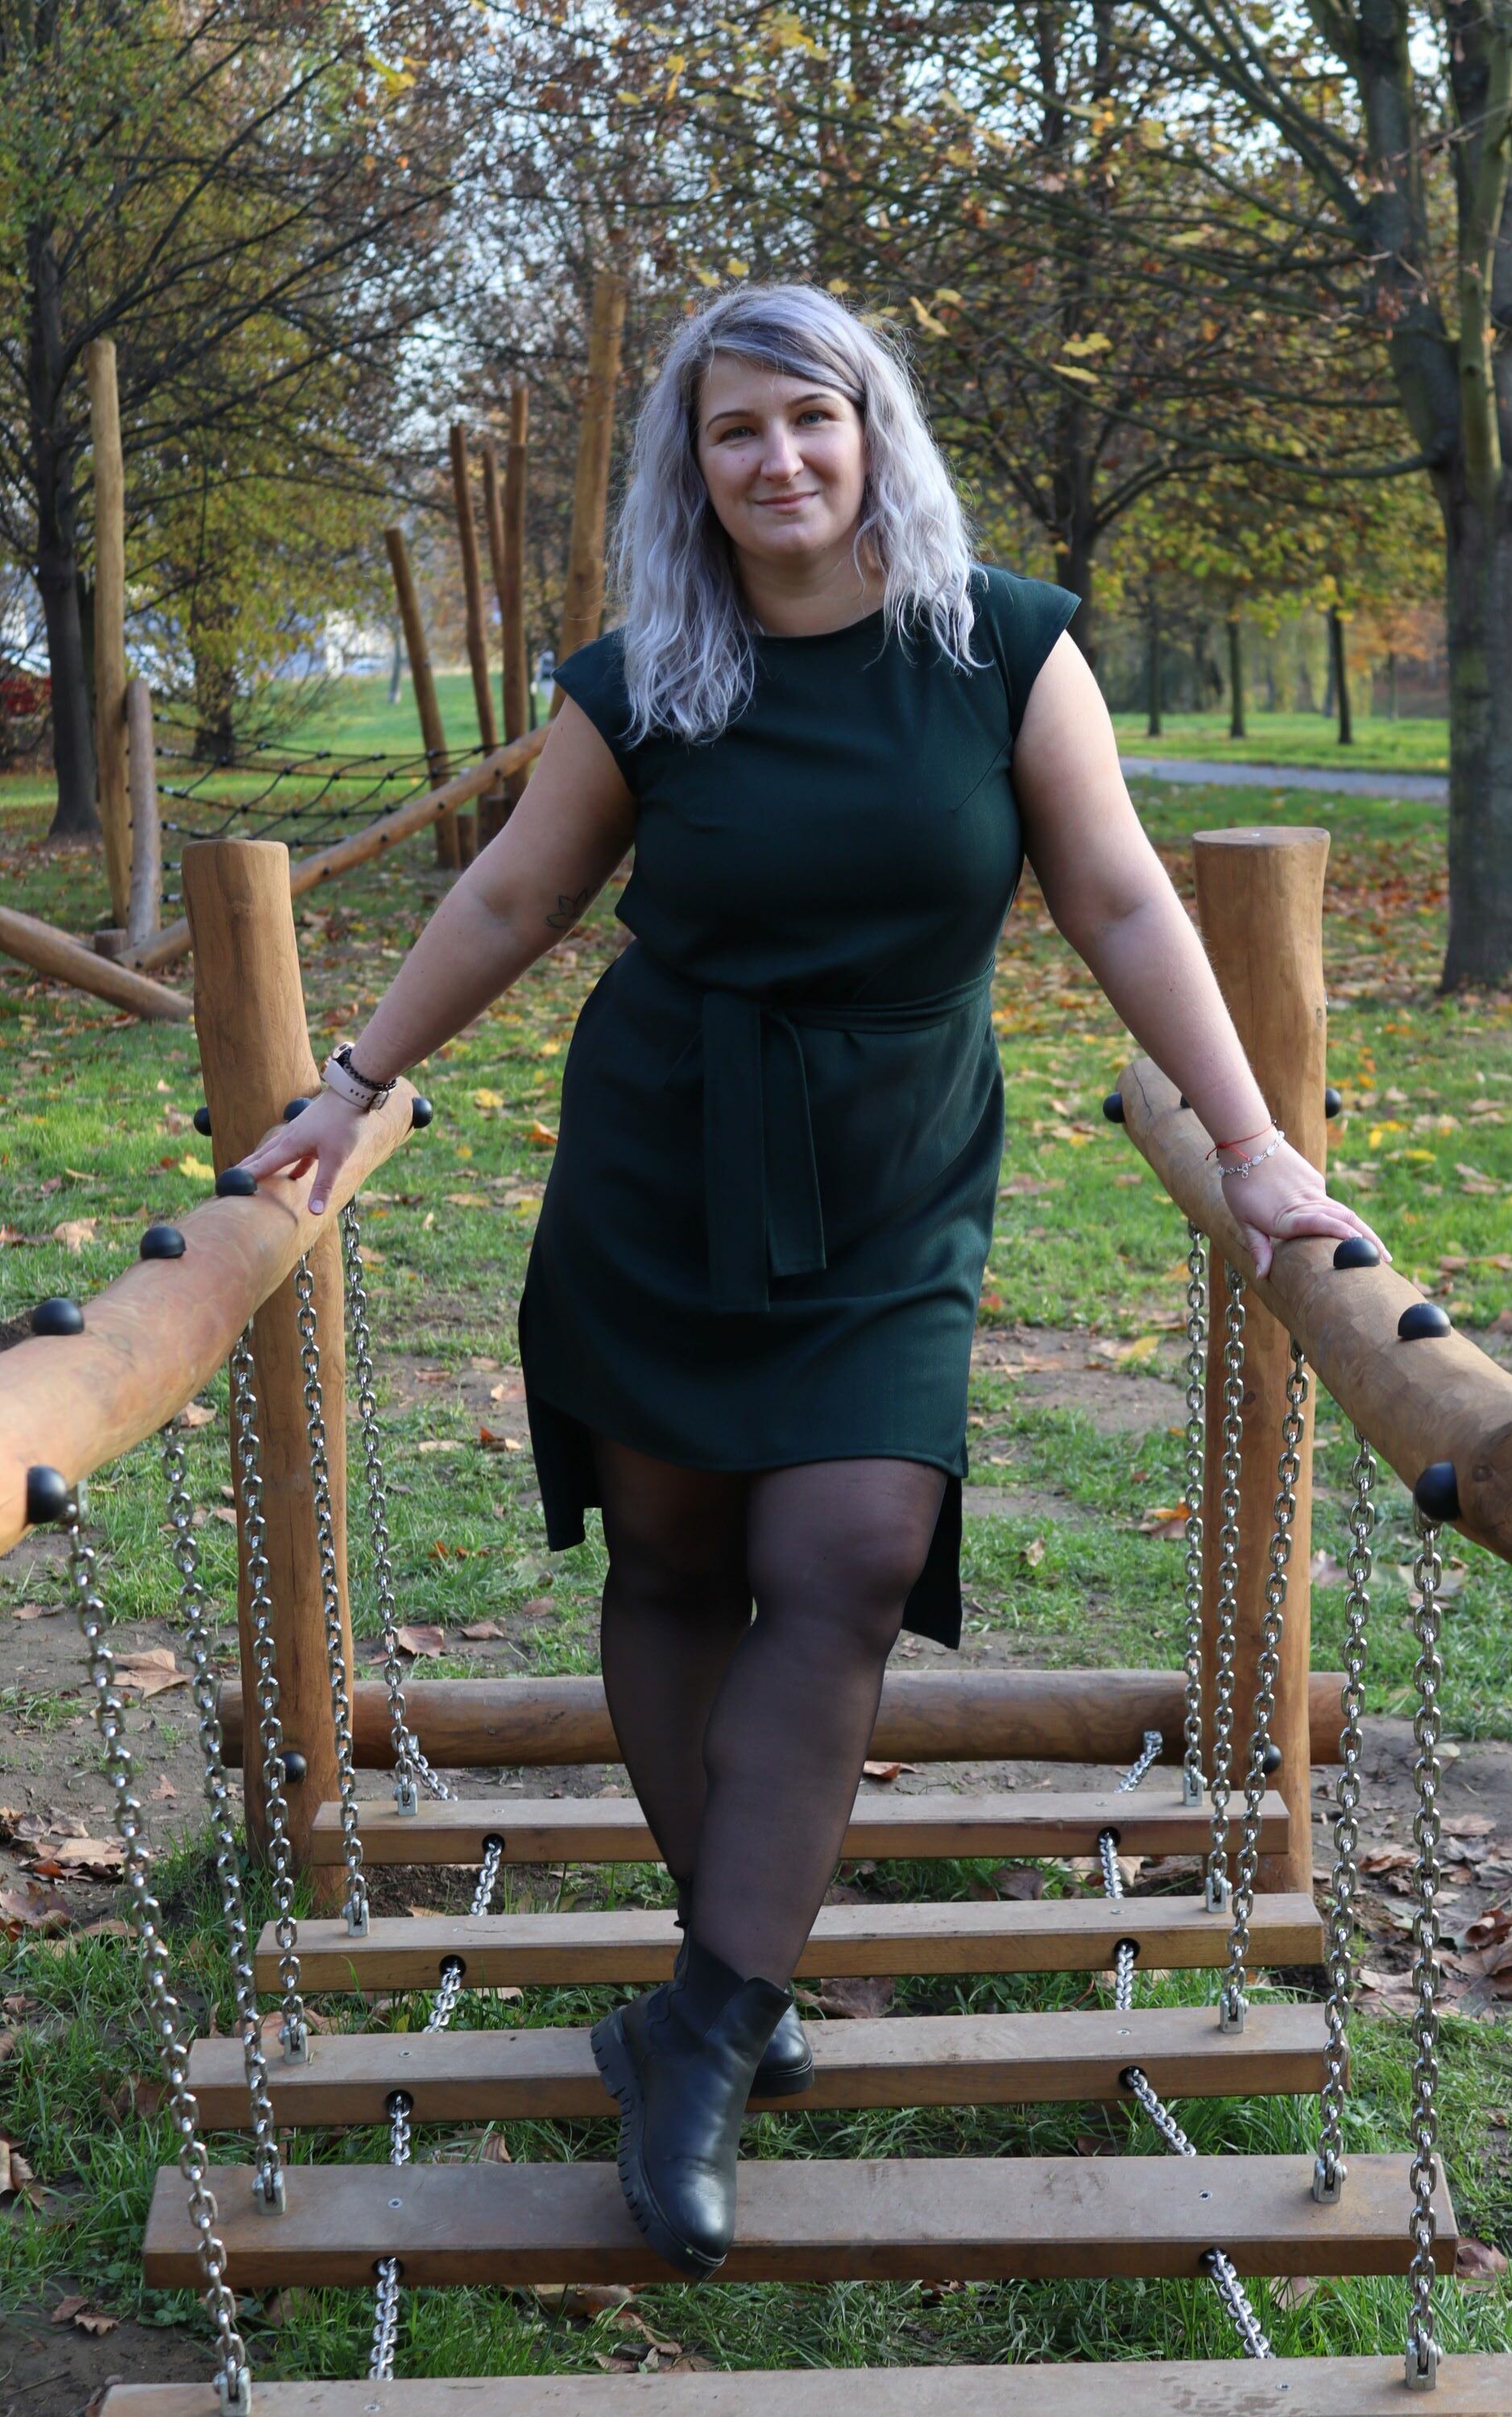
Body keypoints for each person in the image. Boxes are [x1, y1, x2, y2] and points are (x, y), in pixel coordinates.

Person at [234, 281, 1387, 2285]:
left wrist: (1249, 1138)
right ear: (692, 468)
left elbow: (1119, 892)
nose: (777, 459)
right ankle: (736, 1978)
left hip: (893, 1178)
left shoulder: (999, 645)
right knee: (676, 1563)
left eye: (809, 417)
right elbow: (515, 890)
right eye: (734, 430)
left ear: (873, 431)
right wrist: (351, 1081)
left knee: (849, 1555)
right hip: (662, 1161)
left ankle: (692, 2037)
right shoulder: (645, 678)